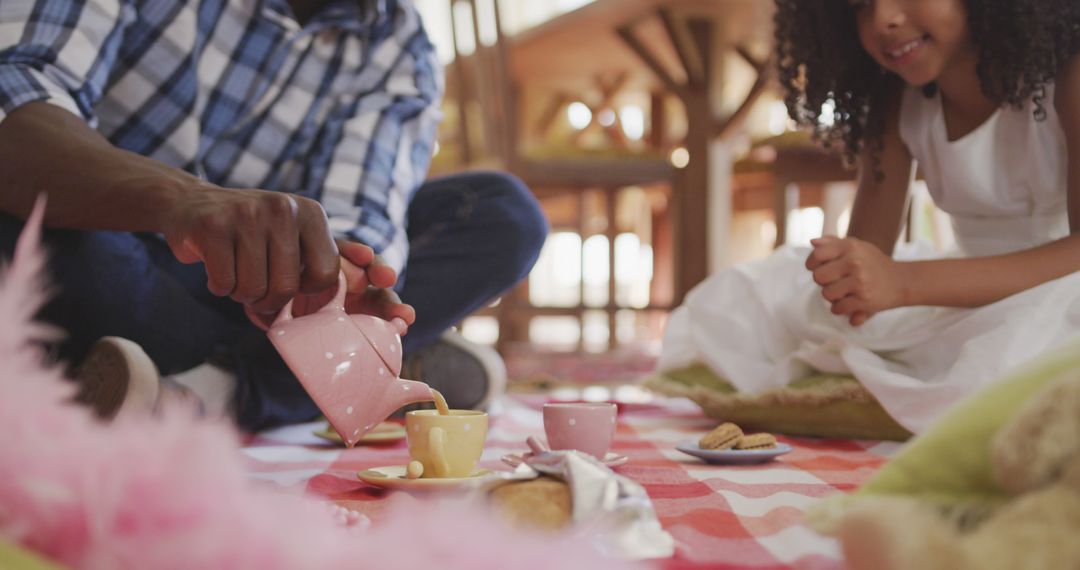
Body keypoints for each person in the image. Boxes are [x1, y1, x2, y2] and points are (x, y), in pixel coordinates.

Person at [0, 0, 548, 429]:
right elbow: (15, 96)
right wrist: (181, 201)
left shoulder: (400, 43)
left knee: (503, 213)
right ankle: (335, 384)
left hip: (258, 301)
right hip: (115, 256)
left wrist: (332, 287)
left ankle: (213, 393)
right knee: (31, 218)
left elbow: (361, 216)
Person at [658, 0, 1080, 433]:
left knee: (1019, 352)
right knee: (744, 300)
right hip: (956, 292)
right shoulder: (896, 102)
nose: (884, 21)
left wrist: (902, 283)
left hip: (1060, 289)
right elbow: (870, 254)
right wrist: (847, 277)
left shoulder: (1068, 74)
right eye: (859, 6)